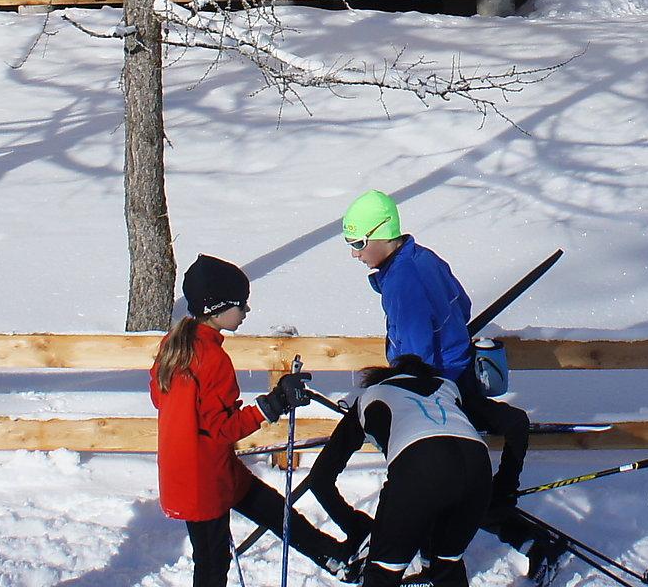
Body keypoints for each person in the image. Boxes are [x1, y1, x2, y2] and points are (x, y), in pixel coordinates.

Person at [341, 190, 565, 583]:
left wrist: (396, 393)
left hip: (438, 392)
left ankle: (436, 561)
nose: (355, 255)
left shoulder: (401, 284)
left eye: (358, 244)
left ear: (381, 234)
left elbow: (415, 358)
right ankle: (497, 537)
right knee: (460, 477)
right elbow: (461, 305)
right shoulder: (424, 257)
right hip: (458, 378)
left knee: (436, 477)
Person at [152, 254, 357, 587]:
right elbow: (223, 428)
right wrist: (273, 404)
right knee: (212, 562)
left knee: (274, 510)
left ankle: (334, 557)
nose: (246, 312)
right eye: (242, 305)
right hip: (202, 482)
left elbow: (161, 398)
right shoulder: (212, 358)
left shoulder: (175, 345)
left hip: (201, 469)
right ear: (218, 307)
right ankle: (333, 557)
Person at [303, 356, 492, 587]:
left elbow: (319, 478)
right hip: (479, 468)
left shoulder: (370, 396)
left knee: (383, 573)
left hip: (420, 465)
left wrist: (358, 527)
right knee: (446, 565)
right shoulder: (448, 388)